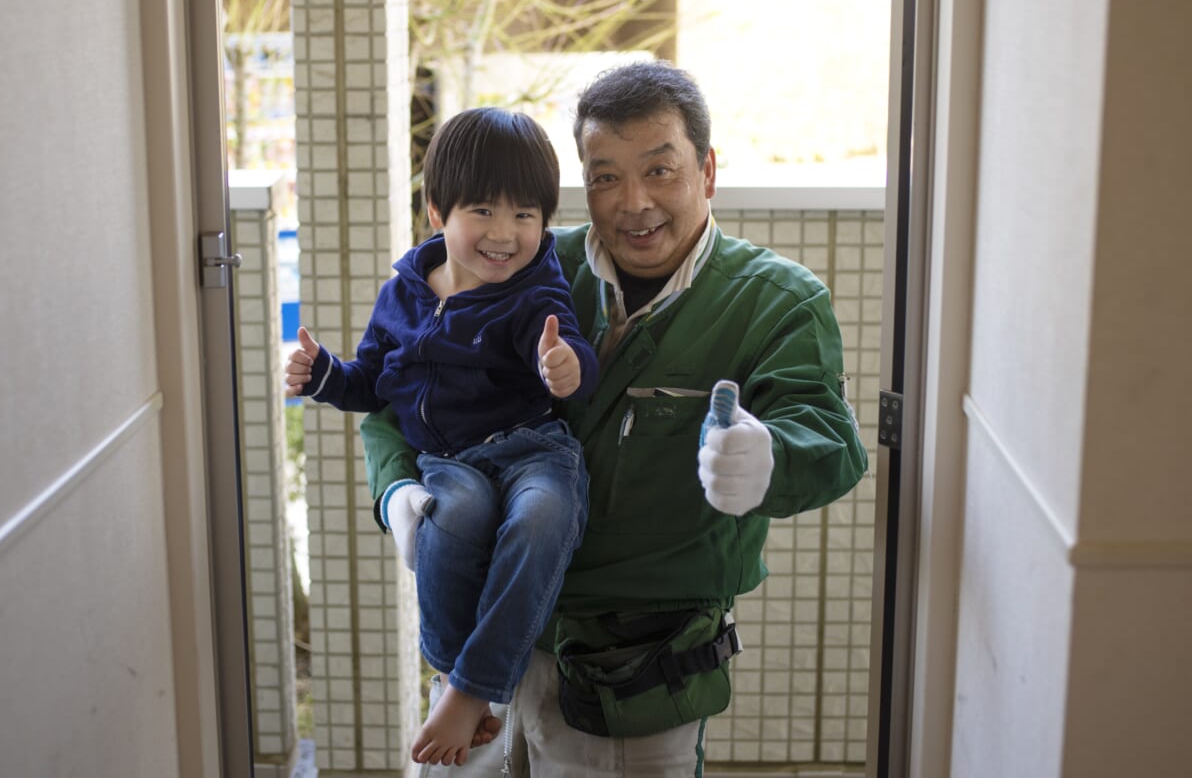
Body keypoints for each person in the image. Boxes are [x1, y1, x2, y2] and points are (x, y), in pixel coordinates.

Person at [361, 61, 869, 777]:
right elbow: (396, 384)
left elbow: (832, 439)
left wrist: (772, 457)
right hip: (483, 646)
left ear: (707, 171)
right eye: (605, 177)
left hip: (636, 675)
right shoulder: (525, 264)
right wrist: (397, 491)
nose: (634, 202)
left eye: (660, 171)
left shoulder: (777, 301)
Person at [285, 107, 600, 767]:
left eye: (524, 216)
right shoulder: (403, 292)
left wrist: (564, 368)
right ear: (437, 212)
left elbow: (566, 343)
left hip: (533, 449)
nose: (504, 234)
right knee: (453, 516)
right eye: (482, 211)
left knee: (544, 516)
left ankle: (468, 689)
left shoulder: (534, 285)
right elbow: (372, 383)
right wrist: (323, 377)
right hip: (451, 462)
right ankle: (453, 672)